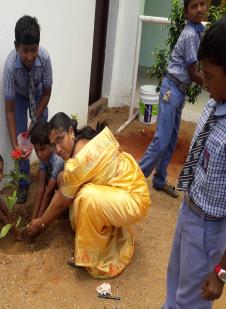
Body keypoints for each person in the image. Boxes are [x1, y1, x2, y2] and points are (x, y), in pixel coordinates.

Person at [136, 16, 226, 309]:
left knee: (193, 305)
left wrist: (221, 269)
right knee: (175, 281)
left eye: (209, 76)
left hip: (210, 229)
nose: (203, 82)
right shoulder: (216, 101)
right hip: (189, 211)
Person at [27, 113, 151, 278]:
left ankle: (95, 260)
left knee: (86, 198)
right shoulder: (82, 142)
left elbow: (61, 202)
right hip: (128, 190)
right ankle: (104, 239)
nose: (57, 149)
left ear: (71, 131)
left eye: (60, 139)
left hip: (135, 200)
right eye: (53, 144)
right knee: (70, 184)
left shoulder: (79, 160)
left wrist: (41, 224)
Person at [139, 0, 207, 198]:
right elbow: (194, 73)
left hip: (179, 90)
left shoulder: (198, 30)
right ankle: (133, 179)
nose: (200, 9)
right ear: (186, 13)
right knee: (161, 139)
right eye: (194, 6)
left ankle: (159, 180)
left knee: (170, 139)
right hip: (172, 90)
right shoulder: (189, 35)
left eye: (202, 4)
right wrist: (212, 84)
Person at [3, 15, 53, 204]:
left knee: (41, 135)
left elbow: (47, 94)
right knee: (22, 141)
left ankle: (45, 171)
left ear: (38, 46)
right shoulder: (10, 67)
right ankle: (23, 184)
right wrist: (15, 144)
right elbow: (9, 111)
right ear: (17, 46)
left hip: (40, 96)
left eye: (34, 50)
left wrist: (36, 119)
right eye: (25, 51)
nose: (30, 56)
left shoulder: (45, 58)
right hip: (20, 97)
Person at [29, 121, 64, 220]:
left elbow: (48, 192)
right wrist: (33, 219)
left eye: (43, 149)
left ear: (52, 145)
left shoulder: (58, 160)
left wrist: (39, 221)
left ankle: (63, 209)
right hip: (53, 178)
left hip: (67, 183)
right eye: (36, 150)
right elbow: (41, 187)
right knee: (39, 174)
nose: (39, 154)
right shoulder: (44, 157)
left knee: (59, 179)